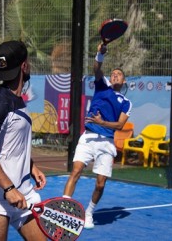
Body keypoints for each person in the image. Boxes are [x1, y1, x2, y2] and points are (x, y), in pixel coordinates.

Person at [0, 40, 47, 241]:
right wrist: (8, 188)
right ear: (24, 66)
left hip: (24, 193)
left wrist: (31, 167)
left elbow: (12, 142)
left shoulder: (18, 100)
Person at [63, 42, 132, 229]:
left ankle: (89, 213)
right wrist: (99, 54)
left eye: (119, 75)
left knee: (100, 184)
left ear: (124, 81)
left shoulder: (126, 102)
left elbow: (119, 124)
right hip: (89, 137)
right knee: (76, 171)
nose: (115, 75)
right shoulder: (102, 86)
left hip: (107, 143)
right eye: (113, 74)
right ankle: (63, 208)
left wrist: (103, 123)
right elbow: (96, 68)